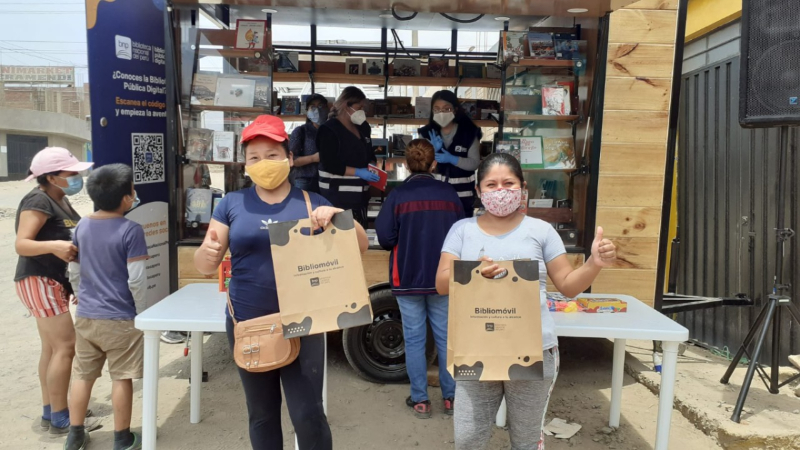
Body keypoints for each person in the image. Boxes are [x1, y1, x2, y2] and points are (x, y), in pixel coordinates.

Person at [193, 114, 369, 450]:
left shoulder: (311, 202)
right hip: (249, 323)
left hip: (303, 323)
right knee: (261, 414)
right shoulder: (232, 204)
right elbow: (203, 264)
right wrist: (210, 251)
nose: (263, 163)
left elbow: (359, 244)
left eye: (272, 155)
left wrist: (338, 218)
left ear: (290, 159)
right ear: (245, 165)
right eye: (254, 158)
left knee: (308, 414)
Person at [435, 153, 617, 449]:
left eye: (508, 183)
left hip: (533, 350)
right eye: (491, 185)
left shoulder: (541, 231)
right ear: (479, 191)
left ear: (522, 189)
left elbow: (569, 286)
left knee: (526, 441)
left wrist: (594, 263)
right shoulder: (461, 231)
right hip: (476, 349)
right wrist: (474, 273)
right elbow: (441, 283)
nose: (500, 191)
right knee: (468, 439)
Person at [13, 147, 100, 435]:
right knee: (66, 347)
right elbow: (22, 244)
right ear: (51, 177)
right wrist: (54, 246)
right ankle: (62, 417)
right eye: (71, 173)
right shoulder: (38, 199)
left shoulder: (60, 200)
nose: (77, 177)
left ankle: (52, 410)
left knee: (52, 349)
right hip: (39, 280)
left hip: (53, 281)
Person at [375, 139, 464, 419]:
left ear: (405, 163)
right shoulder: (449, 195)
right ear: (434, 163)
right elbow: (462, 236)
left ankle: (421, 401)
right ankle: (451, 398)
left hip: (408, 278)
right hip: (443, 278)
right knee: (446, 338)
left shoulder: (398, 196)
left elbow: (386, 237)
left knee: (414, 340)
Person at [64, 164, 148, 450]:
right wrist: (141, 311)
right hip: (121, 317)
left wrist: (82, 296)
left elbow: (74, 272)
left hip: (86, 316)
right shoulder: (132, 230)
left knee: (82, 375)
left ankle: (75, 435)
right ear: (126, 198)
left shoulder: (81, 226)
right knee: (122, 377)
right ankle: (122, 438)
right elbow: (136, 279)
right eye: (133, 191)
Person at [316, 86, 379, 227]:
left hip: (361, 197)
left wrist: (372, 164)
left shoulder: (363, 127)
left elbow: (369, 151)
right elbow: (329, 163)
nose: (362, 111)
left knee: (358, 237)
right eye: (359, 107)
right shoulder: (328, 129)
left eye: (364, 108)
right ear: (346, 105)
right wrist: (357, 172)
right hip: (336, 197)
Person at [418, 90, 482, 218]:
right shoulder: (426, 133)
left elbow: (474, 163)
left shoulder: (469, 133)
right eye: (436, 109)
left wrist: (453, 159)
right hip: (434, 196)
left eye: (446, 109)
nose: (441, 113)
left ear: (455, 110)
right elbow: (419, 166)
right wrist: (431, 153)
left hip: (462, 198)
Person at [289, 93, 328, 193]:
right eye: (313, 107)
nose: (317, 109)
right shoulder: (301, 131)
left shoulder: (332, 131)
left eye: (320, 106)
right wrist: (313, 158)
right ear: (307, 111)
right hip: (305, 181)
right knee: (304, 208)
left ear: (327, 109)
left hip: (328, 181)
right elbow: (291, 160)